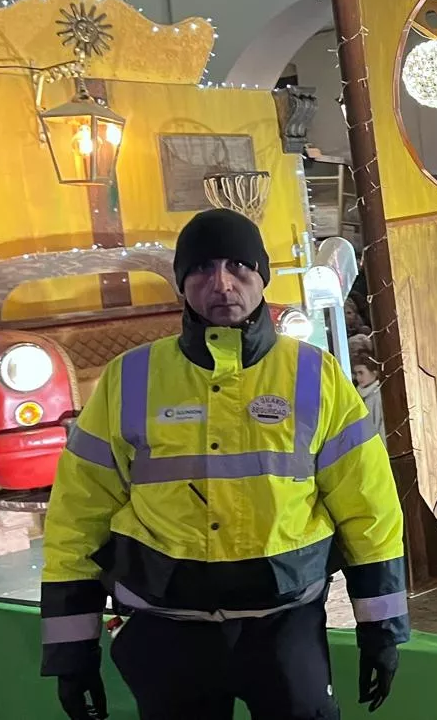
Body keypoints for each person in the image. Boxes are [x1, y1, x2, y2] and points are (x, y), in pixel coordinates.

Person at [41, 208, 406, 720]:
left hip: (284, 627)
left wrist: (381, 631)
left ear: (262, 276)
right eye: (201, 268)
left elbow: (369, 510)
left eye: (238, 265)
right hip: (166, 633)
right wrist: (72, 652)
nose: (221, 283)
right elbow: (78, 518)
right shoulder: (129, 379)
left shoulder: (314, 376)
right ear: (181, 282)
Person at [353, 353, 384, 439]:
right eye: (356, 373)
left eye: (361, 373)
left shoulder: (378, 396)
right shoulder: (358, 396)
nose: (358, 377)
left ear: (374, 372)